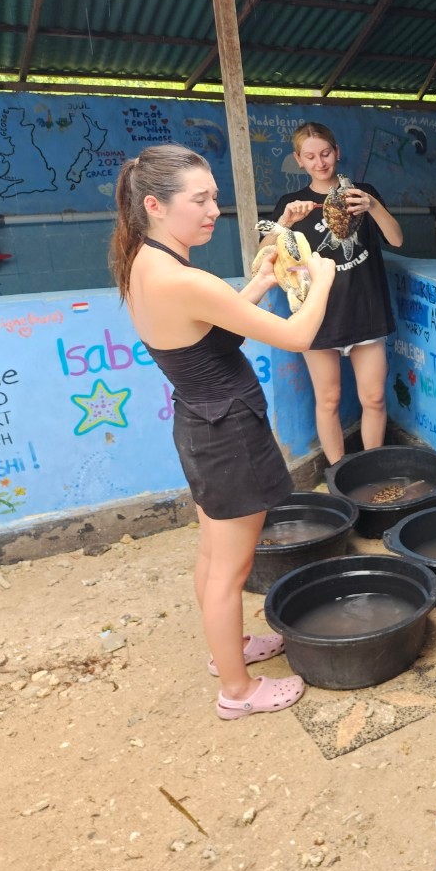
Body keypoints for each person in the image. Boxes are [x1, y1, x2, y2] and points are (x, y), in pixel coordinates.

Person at [109, 143, 337, 720]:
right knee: (231, 570)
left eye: (215, 196)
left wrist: (259, 284)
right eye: (201, 199)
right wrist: (325, 278)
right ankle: (237, 691)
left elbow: (213, 338)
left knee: (215, 554)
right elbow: (298, 336)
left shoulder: (144, 261)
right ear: (156, 205)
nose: (215, 209)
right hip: (227, 432)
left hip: (201, 423)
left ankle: (227, 649)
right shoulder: (184, 278)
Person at [267, 122, 403, 464]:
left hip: (365, 312)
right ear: (299, 160)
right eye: (310, 156)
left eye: (325, 153)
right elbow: (263, 258)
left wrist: (373, 206)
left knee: (373, 399)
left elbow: (397, 239)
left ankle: (372, 470)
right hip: (317, 318)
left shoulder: (362, 193)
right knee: (327, 400)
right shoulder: (291, 203)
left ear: (337, 152)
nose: (320, 162)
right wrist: (283, 222)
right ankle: (339, 473)